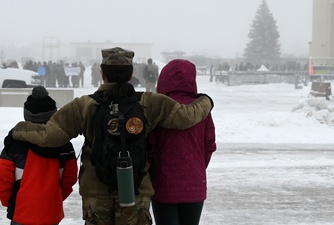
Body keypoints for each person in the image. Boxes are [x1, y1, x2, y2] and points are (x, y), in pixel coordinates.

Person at [10, 47, 214, 225]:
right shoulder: (150, 102)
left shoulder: (85, 105)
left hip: (96, 191)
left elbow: (50, 136)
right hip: (136, 190)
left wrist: (18, 130)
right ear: (131, 73)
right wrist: (206, 100)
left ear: (102, 74)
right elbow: (187, 117)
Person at [148, 59, 216, 225]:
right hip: (194, 184)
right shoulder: (202, 110)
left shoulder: (157, 109)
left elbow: (149, 148)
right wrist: (196, 167)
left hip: (163, 185)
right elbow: (209, 145)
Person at [0, 86, 78, 225]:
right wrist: (55, 199)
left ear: (26, 114)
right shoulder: (64, 145)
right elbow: (69, 179)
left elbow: (3, 179)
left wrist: (10, 202)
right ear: (53, 115)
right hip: (51, 212)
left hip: (21, 212)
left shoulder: (14, 143)